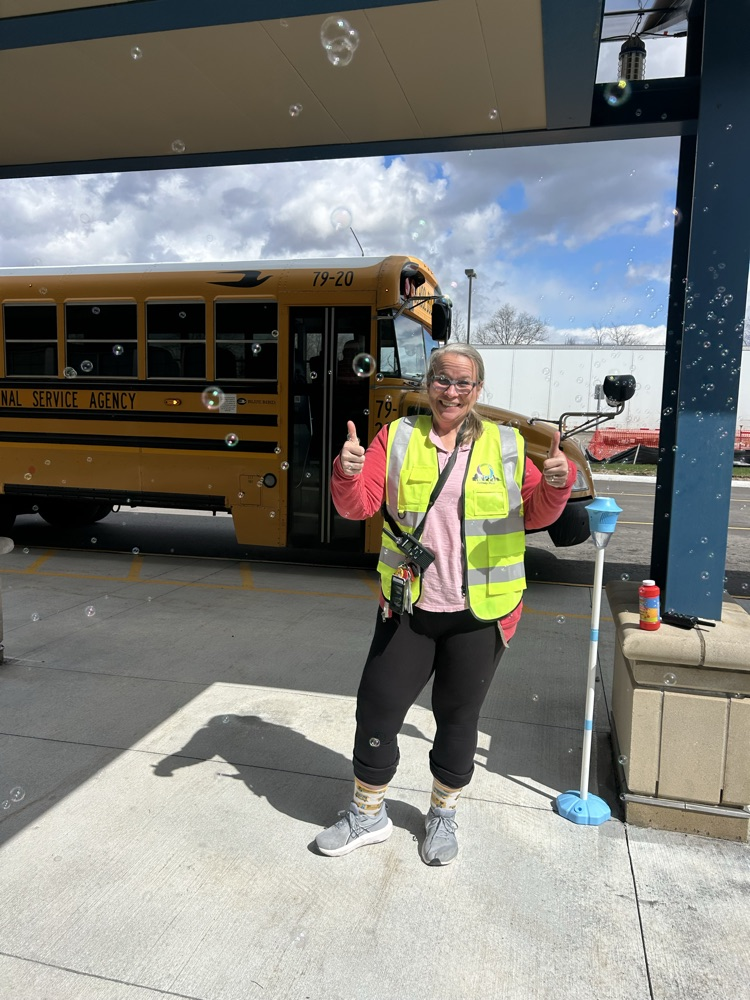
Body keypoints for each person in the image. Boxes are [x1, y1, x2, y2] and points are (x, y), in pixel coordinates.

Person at [315, 342, 575, 866]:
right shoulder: (398, 437)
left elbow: (537, 512)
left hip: (480, 613)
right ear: (427, 383)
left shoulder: (505, 445)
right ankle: (368, 815)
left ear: (478, 391)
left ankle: (442, 815)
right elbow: (359, 505)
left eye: (463, 383)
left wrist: (556, 483)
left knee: (458, 717)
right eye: (441, 379)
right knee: (378, 707)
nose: (451, 391)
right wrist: (347, 471)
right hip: (409, 606)